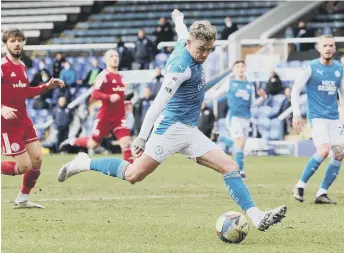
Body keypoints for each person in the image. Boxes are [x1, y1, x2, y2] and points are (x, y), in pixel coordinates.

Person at [58, 10, 286, 231]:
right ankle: (83, 162)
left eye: (209, 50)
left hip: (189, 130)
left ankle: (257, 217)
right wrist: (142, 137)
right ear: (190, 44)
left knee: (230, 167)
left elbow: (181, 30)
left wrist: (178, 18)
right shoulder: (180, 69)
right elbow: (157, 103)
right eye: (201, 49)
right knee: (133, 175)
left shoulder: (185, 40)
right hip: (170, 129)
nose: (205, 55)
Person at [1, 28, 65, 208]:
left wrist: (47, 86)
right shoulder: (2, 67)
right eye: (13, 40)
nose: (17, 43)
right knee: (24, 167)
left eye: (20, 40)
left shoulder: (22, 67)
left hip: (24, 120)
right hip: (7, 124)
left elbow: (26, 92)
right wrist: (2, 108)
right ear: (6, 43)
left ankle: (22, 200)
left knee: (37, 159)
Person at [291, 35, 344, 204]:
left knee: (339, 153)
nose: (328, 48)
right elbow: (295, 90)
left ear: (334, 48)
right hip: (317, 117)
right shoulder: (311, 67)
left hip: (334, 118)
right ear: (319, 48)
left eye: (331, 45)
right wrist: (296, 114)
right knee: (324, 151)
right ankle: (300, 185)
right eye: (325, 45)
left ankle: (321, 193)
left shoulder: (339, 69)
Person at [59, 49, 133, 163]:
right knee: (93, 144)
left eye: (116, 56)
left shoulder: (121, 77)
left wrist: (126, 103)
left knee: (126, 142)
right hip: (105, 117)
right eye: (111, 56)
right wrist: (109, 97)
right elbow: (94, 93)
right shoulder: (103, 76)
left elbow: (121, 96)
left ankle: (130, 170)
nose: (115, 58)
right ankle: (72, 141)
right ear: (106, 60)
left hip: (119, 117)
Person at [205, 61, 264, 179]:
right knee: (240, 141)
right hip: (234, 117)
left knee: (240, 146)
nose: (240, 69)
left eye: (242, 66)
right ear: (233, 70)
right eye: (237, 67)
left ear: (245, 68)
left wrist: (262, 97)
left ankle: (220, 137)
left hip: (246, 118)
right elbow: (216, 94)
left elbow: (253, 104)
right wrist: (202, 95)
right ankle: (240, 171)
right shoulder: (229, 83)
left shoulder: (249, 86)